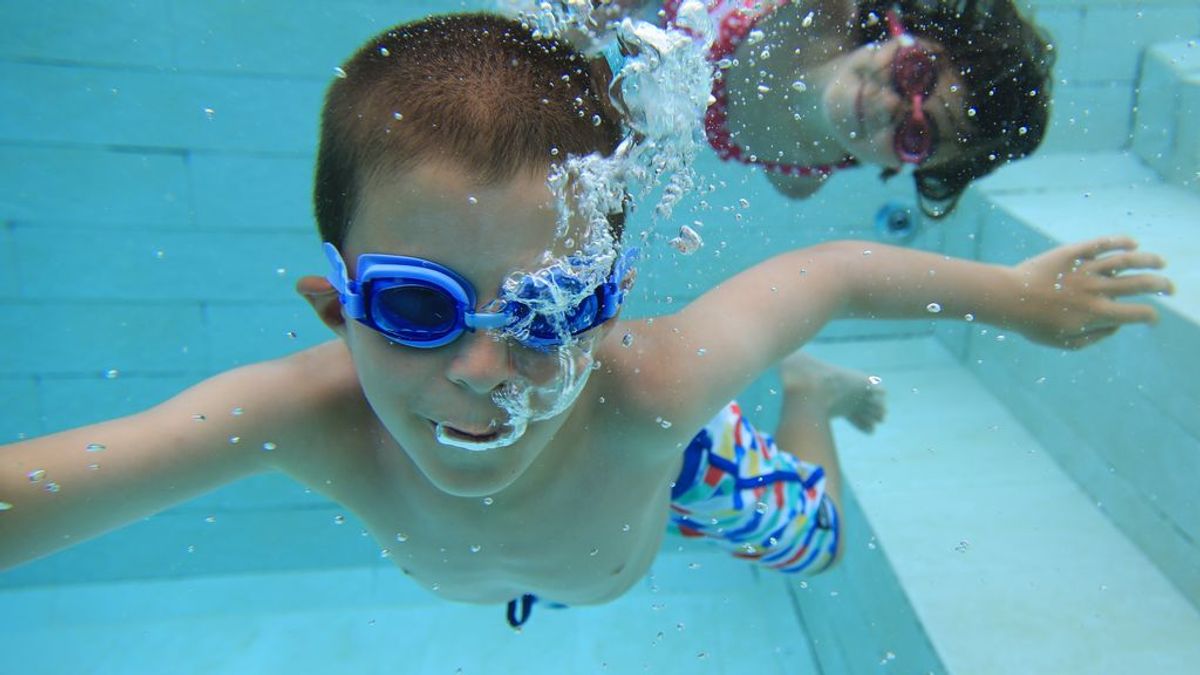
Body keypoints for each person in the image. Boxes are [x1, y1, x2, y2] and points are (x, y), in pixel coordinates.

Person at [0, 13, 1170, 630]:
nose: (485, 373)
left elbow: (841, 267)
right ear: (333, 307)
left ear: (605, 314)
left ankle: (809, 398)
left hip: (669, 479)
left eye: (551, 313)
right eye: (415, 308)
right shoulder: (309, 415)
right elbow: (58, 488)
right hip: (566, 553)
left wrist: (1020, 299)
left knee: (816, 545)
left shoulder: (651, 384)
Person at [600, 0, 1053, 215]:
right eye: (915, 74)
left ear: (902, 167)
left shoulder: (799, 175)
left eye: (915, 135)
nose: (887, 107)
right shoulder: (818, 10)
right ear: (901, 31)